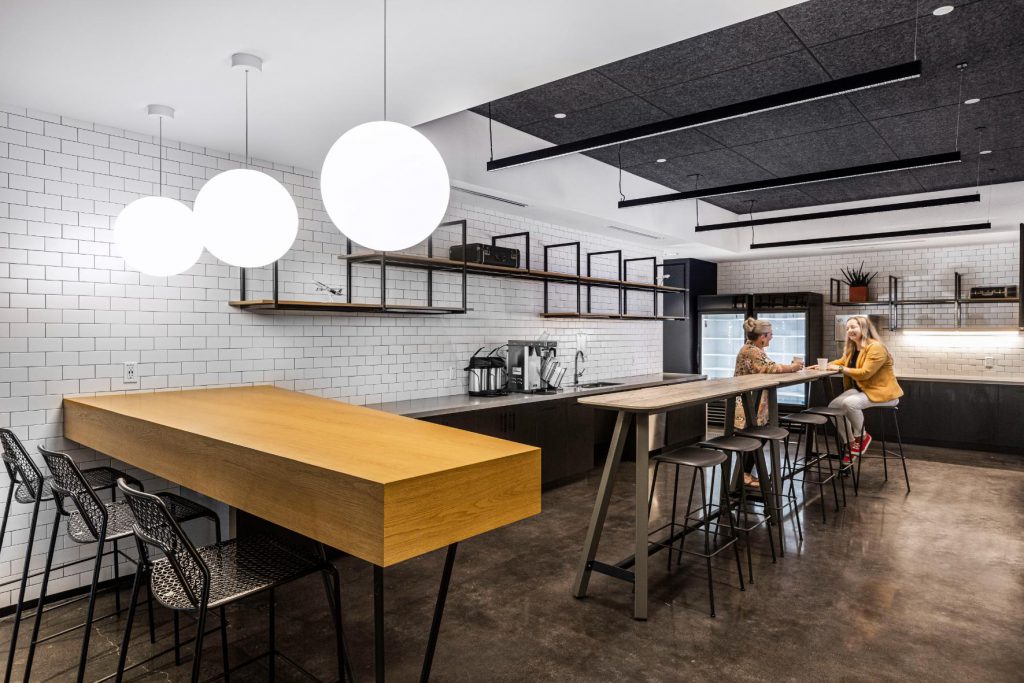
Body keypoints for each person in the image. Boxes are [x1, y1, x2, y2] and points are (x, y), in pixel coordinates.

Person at [819, 315, 903, 461]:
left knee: (849, 403)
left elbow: (865, 373)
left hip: (884, 393)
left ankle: (862, 437)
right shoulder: (853, 347)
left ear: (864, 328)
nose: (849, 331)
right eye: (847, 328)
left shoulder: (875, 347)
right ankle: (851, 444)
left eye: (853, 327)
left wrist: (840, 369)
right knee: (833, 407)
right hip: (864, 390)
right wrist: (821, 366)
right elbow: (842, 362)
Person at [733, 317, 805, 487]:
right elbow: (771, 368)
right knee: (754, 436)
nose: (772, 337)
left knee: (759, 434)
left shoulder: (754, 349)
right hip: (748, 402)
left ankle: (744, 473)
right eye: (770, 334)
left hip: (754, 401)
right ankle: (742, 474)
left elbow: (767, 367)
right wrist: (793, 367)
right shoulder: (752, 351)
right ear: (762, 337)